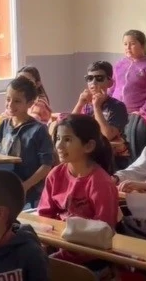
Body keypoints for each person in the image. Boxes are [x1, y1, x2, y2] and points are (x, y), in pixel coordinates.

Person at [38, 115, 118, 270]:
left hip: (89, 254)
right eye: (58, 138)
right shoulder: (55, 174)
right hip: (60, 243)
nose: (59, 145)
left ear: (88, 146)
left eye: (67, 139)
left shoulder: (101, 182)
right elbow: (45, 215)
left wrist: (60, 254)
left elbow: (103, 231)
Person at [0, 77, 54, 208]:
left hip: (30, 193)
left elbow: (46, 165)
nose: (10, 105)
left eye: (17, 101)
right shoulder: (3, 125)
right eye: (8, 99)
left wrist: (25, 186)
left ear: (30, 104)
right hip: (4, 188)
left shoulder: (38, 130)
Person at [73, 61, 131, 169]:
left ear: (110, 83)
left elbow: (107, 135)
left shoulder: (117, 106)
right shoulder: (86, 104)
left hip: (113, 157)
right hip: (90, 152)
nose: (93, 82)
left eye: (99, 78)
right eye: (89, 78)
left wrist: (96, 107)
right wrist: (80, 104)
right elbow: (69, 126)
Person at [109, 30, 146, 124]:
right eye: (125, 44)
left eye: (132, 44)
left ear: (143, 45)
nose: (128, 47)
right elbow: (111, 88)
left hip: (138, 116)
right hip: (115, 113)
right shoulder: (120, 64)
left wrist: (142, 112)